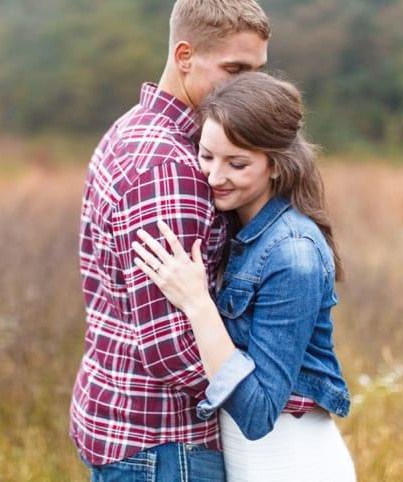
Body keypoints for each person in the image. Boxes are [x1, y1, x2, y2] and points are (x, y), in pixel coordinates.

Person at [69, 1, 270, 480]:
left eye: (258, 72)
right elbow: (171, 347)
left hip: (131, 427)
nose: (249, 87)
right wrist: (268, 400)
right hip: (164, 442)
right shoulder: (170, 167)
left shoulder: (137, 130)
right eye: (234, 69)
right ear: (184, 56)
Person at [132, 71, 356, 481]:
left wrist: (198, 303)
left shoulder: (293, 254)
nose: (215, 177)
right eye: (206, 156)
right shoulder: (237, 231)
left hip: (292, 465)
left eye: (237, 163)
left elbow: (257, 412)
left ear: (276, 166)